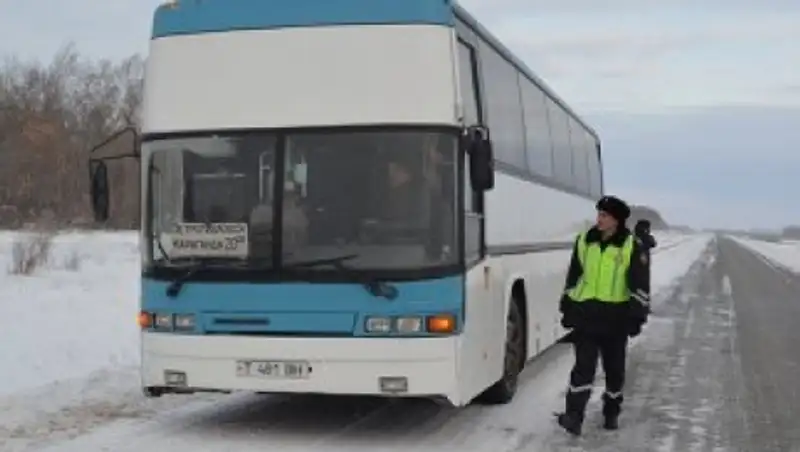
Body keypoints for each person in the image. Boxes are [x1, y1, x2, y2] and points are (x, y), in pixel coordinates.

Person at [555, 195, 650, 436]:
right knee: (582, 369)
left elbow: (640, 284)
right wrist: (567, 305)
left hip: (616, 319)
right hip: (587, 316)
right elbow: (573, 277)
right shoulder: (584, 242)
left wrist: (637, 316)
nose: (599, 219)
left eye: (605, 216)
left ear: (616, 220)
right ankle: (573, 417)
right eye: (599, 214)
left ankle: (611, 412)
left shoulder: (631, 245)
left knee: (614, 370)